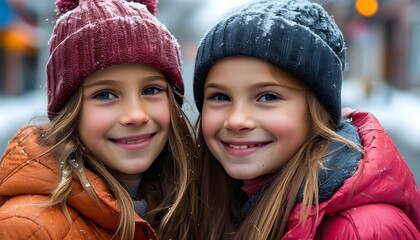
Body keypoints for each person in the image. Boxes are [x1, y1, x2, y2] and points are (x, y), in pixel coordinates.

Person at [192, 0, 420, 239]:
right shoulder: (223, 199)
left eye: (268, 96)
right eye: (220, 96)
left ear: (317, 110)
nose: (237, 120)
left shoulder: (362, 229)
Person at [0, 0, 198, 239]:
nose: (135, 115)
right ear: (70, 112)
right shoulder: (29, 228)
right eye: (105, 94)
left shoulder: (188, 206)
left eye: (151, 90)